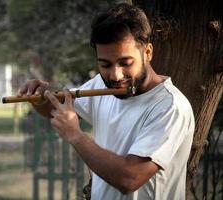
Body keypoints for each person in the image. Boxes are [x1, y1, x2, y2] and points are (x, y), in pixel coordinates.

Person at [17, 3, 194, 200]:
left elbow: (129, 179)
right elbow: (55, 108)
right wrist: (40, 97)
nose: (115, 75)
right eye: (105, 64)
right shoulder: (99, 85)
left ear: (148, 53)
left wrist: (75, 135)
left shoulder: (170, 107)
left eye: (125, 63)